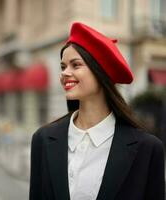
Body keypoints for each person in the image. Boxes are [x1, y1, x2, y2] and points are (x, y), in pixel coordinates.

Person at [29, 22, 165, 200]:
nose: (64, 73)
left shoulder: (148, 149)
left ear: (100, 72)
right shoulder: (42, 139)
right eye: (63, 67)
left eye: (75, 65)